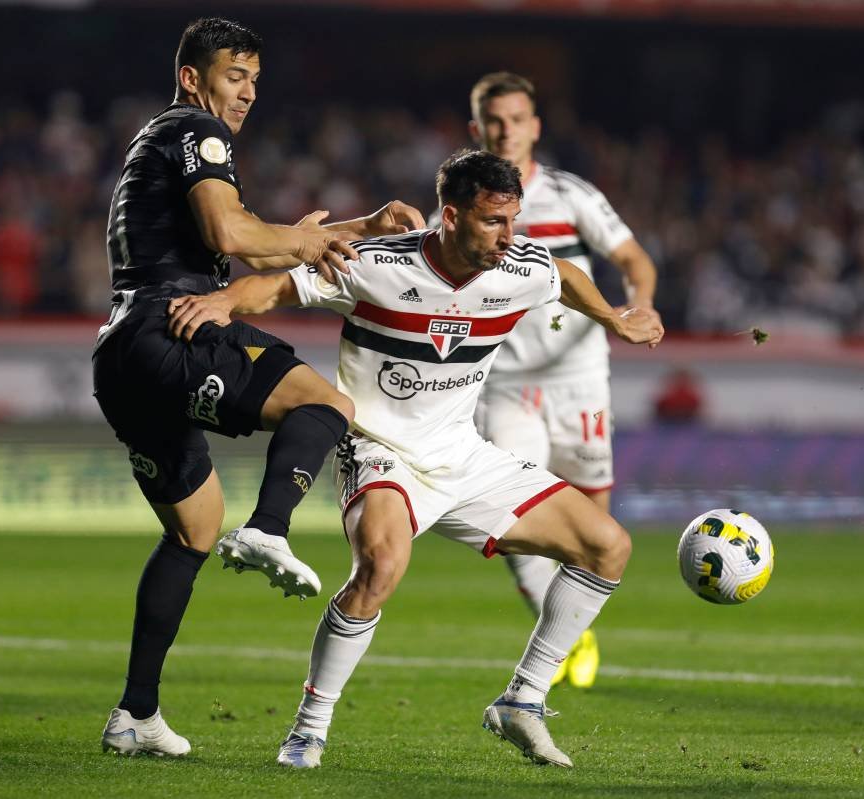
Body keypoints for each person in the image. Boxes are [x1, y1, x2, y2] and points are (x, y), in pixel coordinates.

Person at [168, 149, 664, 769]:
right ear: (450, 217)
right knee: (381, 566)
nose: (509, 237)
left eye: (513, 221)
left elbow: (561, 275)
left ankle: (524, 701)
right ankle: (308, 730)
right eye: (492, 222)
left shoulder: (520, 265)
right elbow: (276, 287)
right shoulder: (375, 265)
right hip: (380, 451)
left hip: (463, 455)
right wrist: (223, 303)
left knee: (608, 547)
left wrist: (614, 318)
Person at [93, 17, 424, 757]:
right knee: (326, 403)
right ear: (193, 77)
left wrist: (357, 225)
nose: (246, 94)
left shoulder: (163, 139)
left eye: (254, 81)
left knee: (191, 531)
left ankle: (136, 714)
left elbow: (246, 229)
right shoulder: (195, 131)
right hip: (169, 327)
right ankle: (270, 527)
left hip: (122, 354)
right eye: (234, 76)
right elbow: (230, 235)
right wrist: (301, 238)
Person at [463, 72, 659, 688]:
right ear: (477, 130)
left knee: (592, 528)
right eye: (494, 121)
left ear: (535, 126)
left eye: (517, 118)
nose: (506, 130)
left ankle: (573, 622)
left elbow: (632, 260)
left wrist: (638, 306)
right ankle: (560, 642)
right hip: (503, 382)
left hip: (577, 379)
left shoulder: (572, 195)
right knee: (512, 519)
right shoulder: (463, 204)